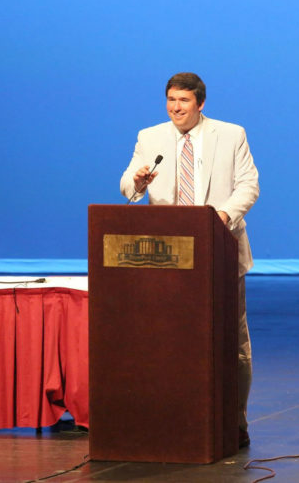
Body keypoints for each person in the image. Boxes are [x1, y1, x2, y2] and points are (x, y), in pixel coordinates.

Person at [120, 72, 260, 448]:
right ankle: (174, 416)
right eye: (170, 100)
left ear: (200, 103)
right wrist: (139, 181)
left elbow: (249, 185)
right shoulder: (150, 138)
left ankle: (235, 420)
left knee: (233, 342)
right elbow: (127, 188)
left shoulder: (231, 135)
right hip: (167, 257)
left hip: (221, 248)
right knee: (169, 339)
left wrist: (223, 217)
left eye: (182, 101)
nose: (175, 108)